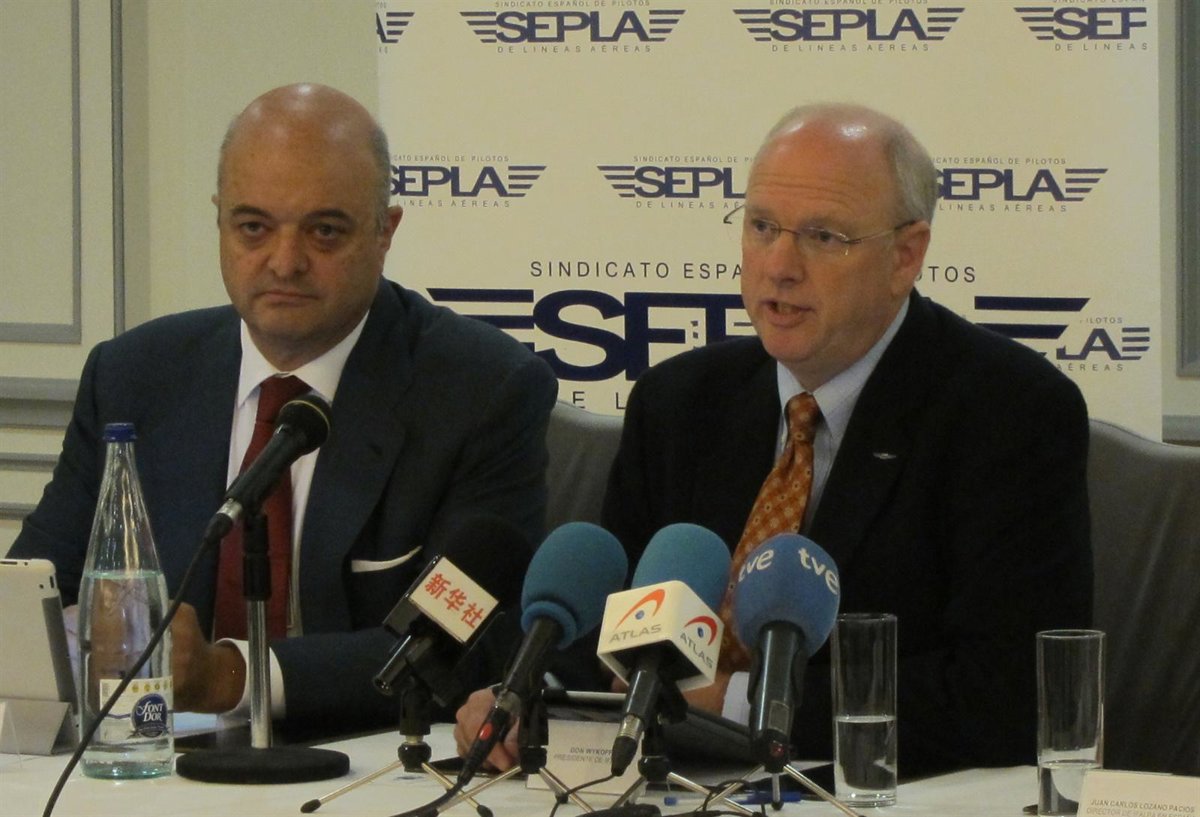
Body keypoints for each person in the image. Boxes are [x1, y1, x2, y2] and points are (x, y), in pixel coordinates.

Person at [455, 103, 1091, 776]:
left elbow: (1008, 694)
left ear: (905, 255)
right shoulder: (679, 402)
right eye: (762, 227)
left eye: (823, 236)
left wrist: (735, 702)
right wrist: (531, 693)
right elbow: (609, 633)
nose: (779, 266)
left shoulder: (1009, 413)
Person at [9, 83, 557, 731]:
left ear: (385, 232)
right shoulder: (135, 374)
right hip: (155, 758)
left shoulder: (481, 389)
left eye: (324, 231)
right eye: (253, 227)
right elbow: (38, 592)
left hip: (367, 759)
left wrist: (230, 676)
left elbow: (460, 647)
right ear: (220, 222)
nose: (285, 262)